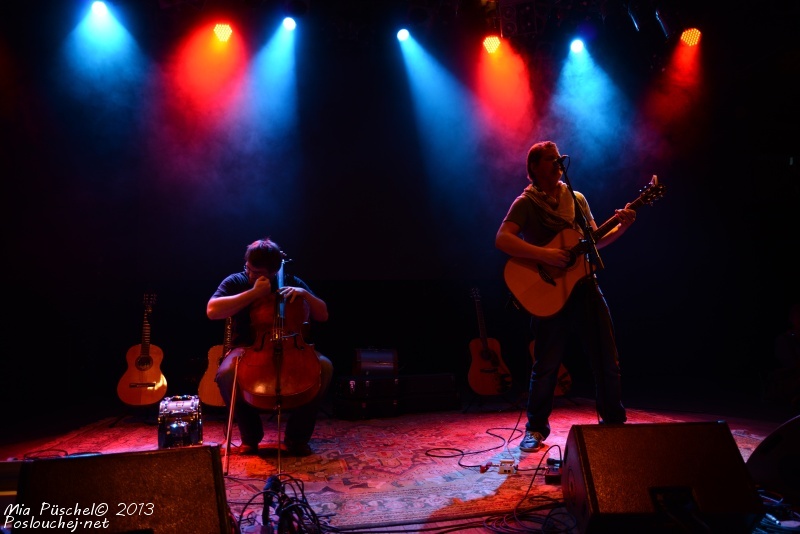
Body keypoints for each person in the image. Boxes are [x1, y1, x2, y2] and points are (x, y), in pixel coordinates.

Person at [495, 140, 637, 452]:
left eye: (559, 158)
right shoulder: (526, 203)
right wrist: (544, 255)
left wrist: (622, 228)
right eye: (550, 159)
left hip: (585, 287)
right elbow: (503, 239)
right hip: (549, 294)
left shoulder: (577, 198)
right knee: (546, 365)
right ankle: (534, 429)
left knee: (607, 360)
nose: (558, 162)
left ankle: (613, 422)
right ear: (534, 167)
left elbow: (593, 242)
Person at [207, 237, 333, 456]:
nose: (251, 274)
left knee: (325, 368)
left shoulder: (291, 281)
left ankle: (297, 437)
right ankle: (250, 436)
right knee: (226, 374)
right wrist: (254, 293)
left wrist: (305, 295)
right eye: (249, 269)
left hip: (292, 347)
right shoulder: (237, 281)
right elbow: (212, 310)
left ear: (274, 270)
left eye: (258, 273)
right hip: (246, 348)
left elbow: (322, 314)